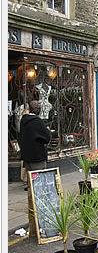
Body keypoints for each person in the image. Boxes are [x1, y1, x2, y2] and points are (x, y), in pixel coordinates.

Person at [19, 100, 51, 237]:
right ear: (37, 110)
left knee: (31, 187)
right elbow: (47, 138)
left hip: (27, 158)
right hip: (38, 158)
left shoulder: (23, 121)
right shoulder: (37, 122)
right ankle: (41, 217)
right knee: (40, 187)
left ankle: (32, 217)